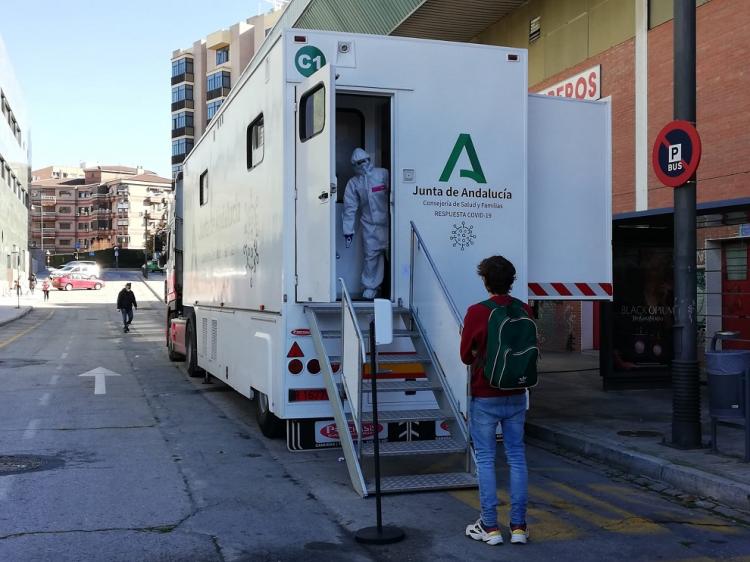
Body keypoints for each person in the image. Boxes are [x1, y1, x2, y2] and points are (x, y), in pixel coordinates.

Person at [461, 255, 530, 546]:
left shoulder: (477, 312)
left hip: (486, 394)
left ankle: (489, 527)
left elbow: (465, 356)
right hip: (517, 393)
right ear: (511, 280)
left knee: (487, 460)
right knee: (516, 457)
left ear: (485, 280)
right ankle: (519, 527)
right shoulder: (524, 309)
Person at [342, 147, 389, 300]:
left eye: (364, 160)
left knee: (394, 255)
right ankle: (371, 287)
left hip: (389, 224)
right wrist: (348, 230)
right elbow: (349, 208)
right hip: (370, 226)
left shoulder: (382, 174)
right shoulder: (354, 184)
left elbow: (396, 195)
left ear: (369, 159)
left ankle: (398, 284)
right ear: (354, 165)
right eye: (358, 162)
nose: (363, 164)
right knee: (371, 258)